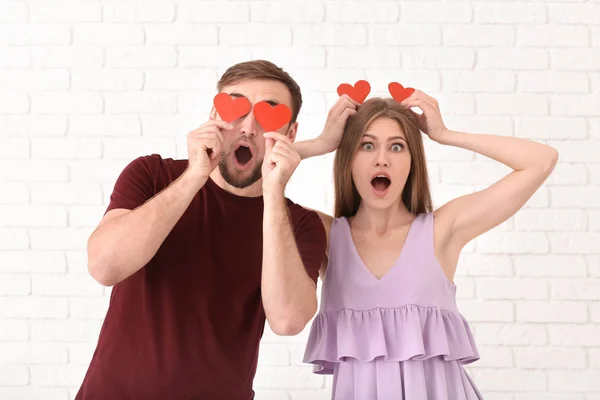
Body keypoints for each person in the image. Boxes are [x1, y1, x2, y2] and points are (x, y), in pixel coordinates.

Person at [75, 60, 329, 400]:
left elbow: (287, 320)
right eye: (236, 108)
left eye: (269, 115)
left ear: (290, 135)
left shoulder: (299, 225)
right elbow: (104, 267)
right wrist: (195, 176)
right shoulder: (152, 175)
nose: (249, 128)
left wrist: (273, 191)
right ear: (214, 115)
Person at [286, 90, 559, 399]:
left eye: (397, 147)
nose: (382, 159)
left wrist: (445, 134)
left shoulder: (441, 230)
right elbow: (253, 182)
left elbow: (541, 161)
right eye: (366, 145)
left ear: (412, 161)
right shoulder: (324, 235)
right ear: (348, 159)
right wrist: (321, 144)